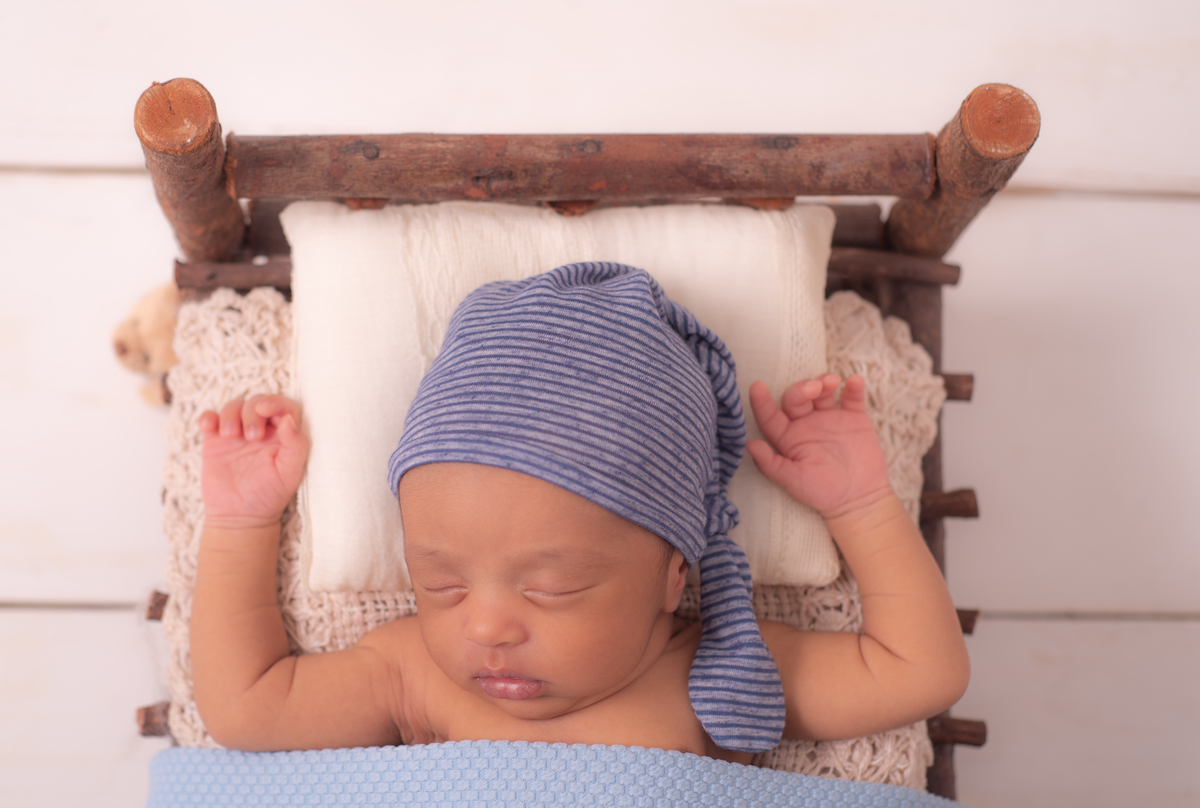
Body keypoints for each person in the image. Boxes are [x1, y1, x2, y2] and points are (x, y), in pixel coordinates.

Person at [191, 263, 969, 766]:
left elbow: (923, 672)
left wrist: (862, 504)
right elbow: (247, 705)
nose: (486, 627)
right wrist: (240, 525)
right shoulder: (413, 674)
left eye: (551, 589)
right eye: (442, 586)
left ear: (674, 575)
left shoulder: (722, 673)